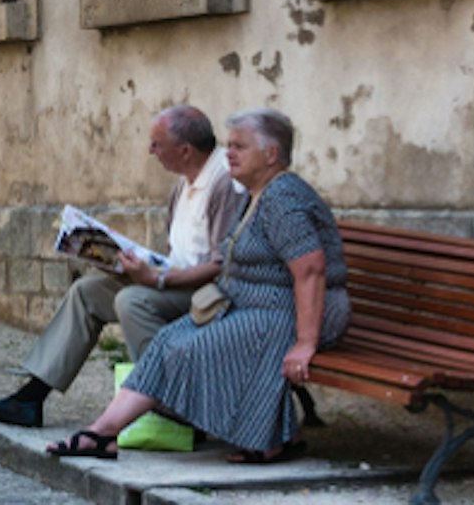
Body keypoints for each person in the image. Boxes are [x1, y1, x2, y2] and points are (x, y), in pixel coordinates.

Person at [48, 108, 346, 464]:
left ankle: (269, 439)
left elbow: (310, 270)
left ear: (271, 155)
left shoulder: (283, 197)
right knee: (168, 341)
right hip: (253, 308)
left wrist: (305, 343)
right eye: (229, 144)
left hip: (293, 313)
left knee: (192, 348)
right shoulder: (256, 194)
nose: (229, 153)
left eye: (240, 146)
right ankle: (103, 433)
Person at [0, 102, 242, 427]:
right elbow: (178, 254)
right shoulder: (182, 184)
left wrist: (155, 280)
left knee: (132, 300)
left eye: (157, 144)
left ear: (185, 151)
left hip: (205, 293)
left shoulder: (224, 183)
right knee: (87, 292)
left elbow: (221, 265)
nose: (150, 150)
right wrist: (121, 263)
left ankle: (172, 404)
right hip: (172, 280)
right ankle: (30, 399)